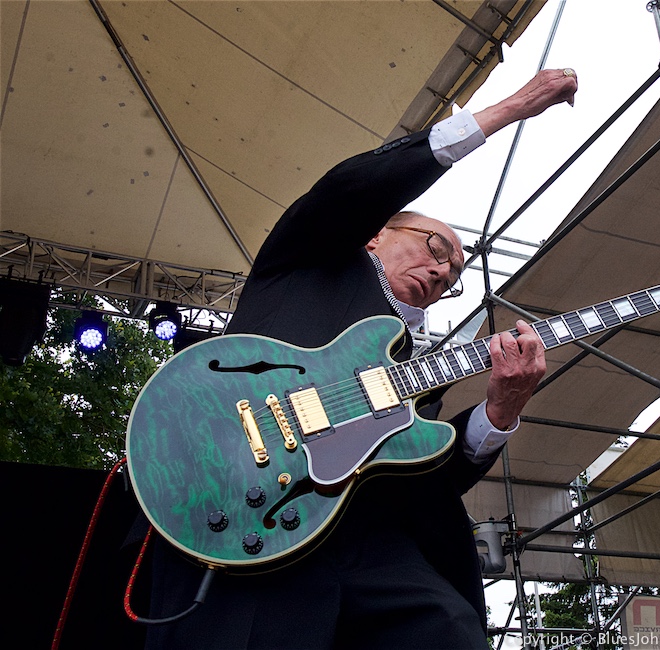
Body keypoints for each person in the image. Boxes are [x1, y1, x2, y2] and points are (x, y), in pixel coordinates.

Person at [143, 68, 578, 649]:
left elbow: (430, 476)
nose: (443, 271)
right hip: (248, 503)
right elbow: (353, 190)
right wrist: (508, 110)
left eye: (454, 276)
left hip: (364, 535)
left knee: (450, 630)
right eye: (435, 249)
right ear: (376, 235)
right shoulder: (315, 257)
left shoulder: (413, 365)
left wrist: (502, 410)